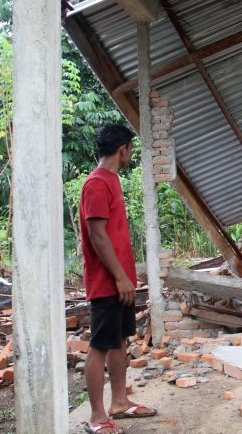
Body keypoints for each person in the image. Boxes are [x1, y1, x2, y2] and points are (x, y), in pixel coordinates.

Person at [80, 125, 157, 434]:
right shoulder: (96, 184)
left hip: (121, 281)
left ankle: (120, 402)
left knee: (120, 341)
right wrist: (121, 277)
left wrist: (126, 278)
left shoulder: (111, 180)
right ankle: (97, 417)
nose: (131, 154)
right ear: (123, 149)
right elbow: (97, 235)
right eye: (131, 150)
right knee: (99, 346)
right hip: (107, 282)